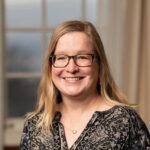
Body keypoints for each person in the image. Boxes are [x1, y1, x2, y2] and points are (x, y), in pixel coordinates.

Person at [20, 20, 150, 150]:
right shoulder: (34, 126)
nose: (71, 68)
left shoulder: (125, 121)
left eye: (82, 57)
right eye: (61, 57)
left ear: (99, 65)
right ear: (50, 66)